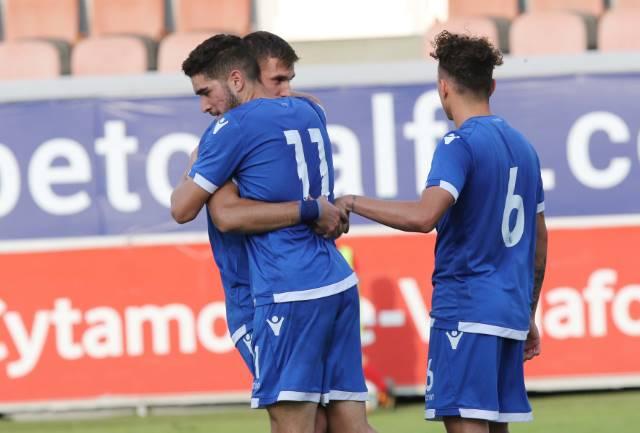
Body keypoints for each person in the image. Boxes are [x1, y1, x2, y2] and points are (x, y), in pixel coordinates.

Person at [336, 31, 548, 433]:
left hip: (466, 311)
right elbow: (539, 243)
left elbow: (424, 216)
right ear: (492, 86)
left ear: (443, 87)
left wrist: (351, 202)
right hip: (508, 313)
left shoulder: (459, 143)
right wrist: (528, 313)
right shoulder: (524, 148)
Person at [171, 34, 373, 433]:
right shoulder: (310, 112)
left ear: (237, 77)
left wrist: (195, 162)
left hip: (279, 292)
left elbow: (196, 211)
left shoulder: (231, 129)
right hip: (335, 281)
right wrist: (313, 208)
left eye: (206, 92)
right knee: (349, 426)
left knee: (294, 426)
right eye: (279, 80)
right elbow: (307, 102)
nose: (204, 105)